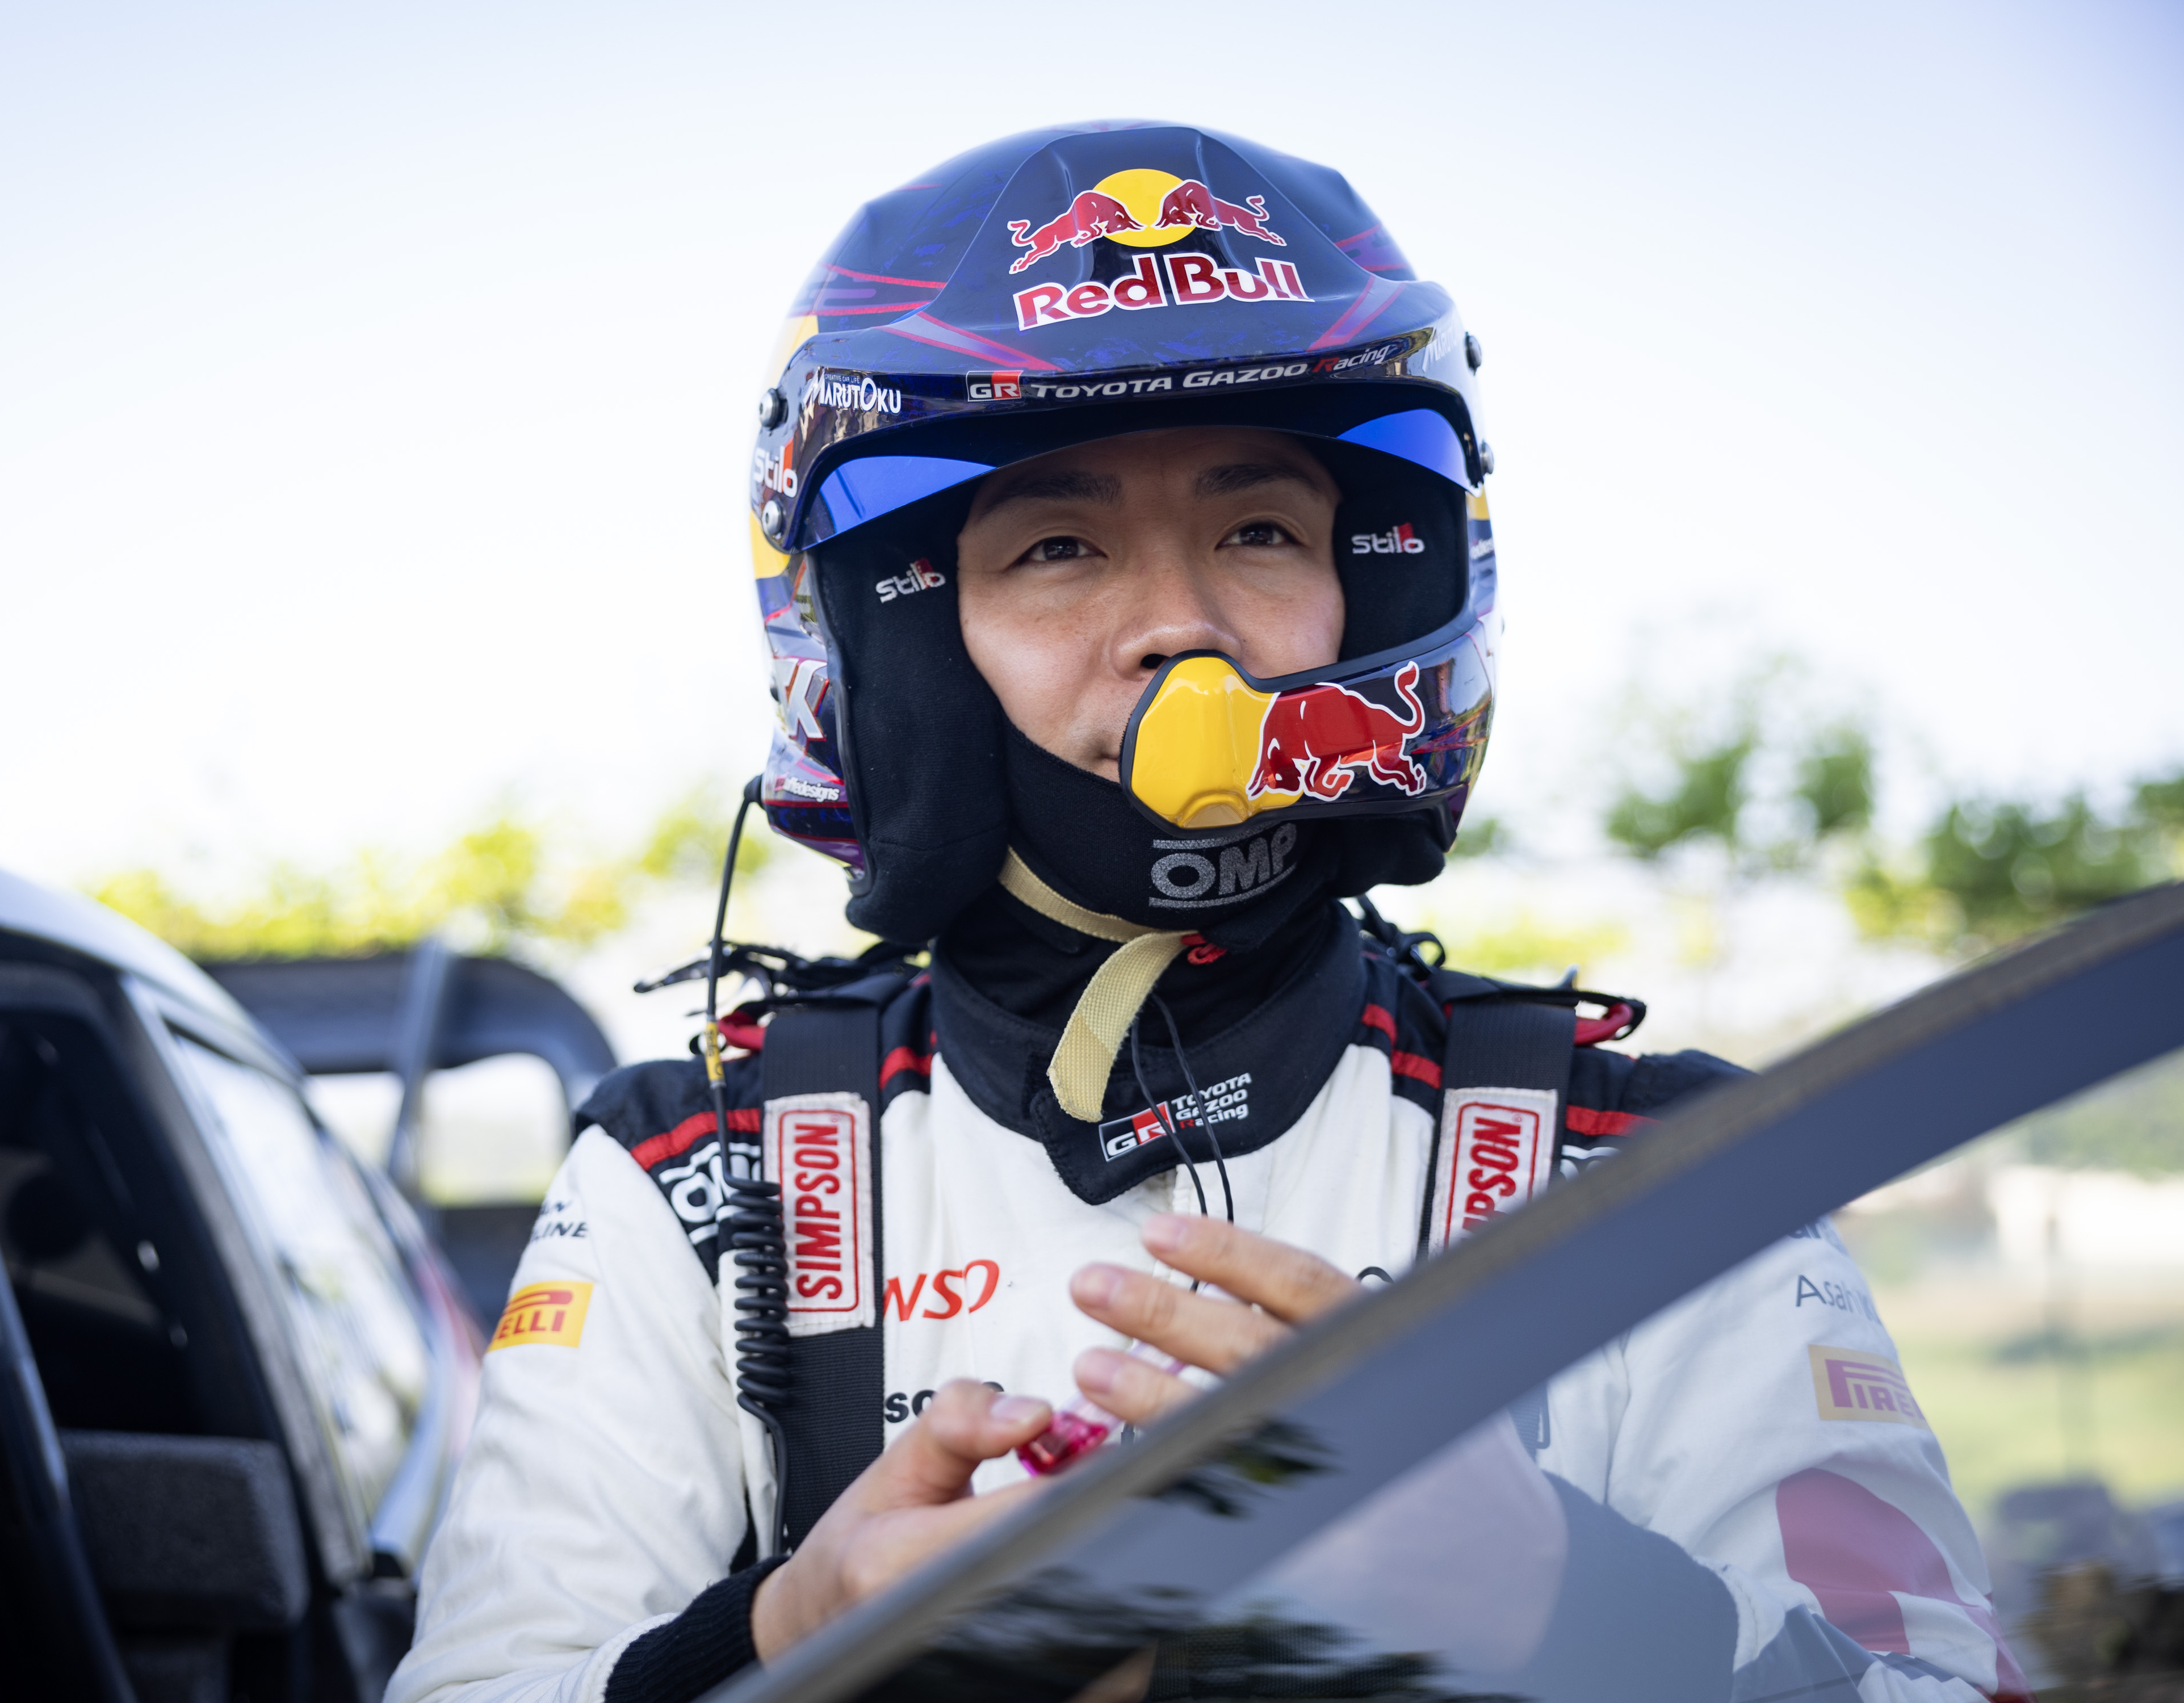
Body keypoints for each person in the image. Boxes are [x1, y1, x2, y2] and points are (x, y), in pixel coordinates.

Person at [389, 123, 2027, 1703]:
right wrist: (784, 1636)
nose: (1181, 625)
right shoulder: (696, 1175)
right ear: (903, 649)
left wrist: (1556, 1599)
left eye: (1258, 532)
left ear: (1373, 590)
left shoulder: (1659, 1168)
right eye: (1057, 547)